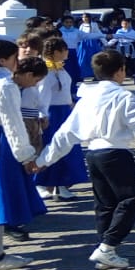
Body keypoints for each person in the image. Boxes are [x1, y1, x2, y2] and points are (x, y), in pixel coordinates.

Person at [33, 50, 135, 270]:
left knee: (105, 204)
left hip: (93, 154)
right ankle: (107, 247)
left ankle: (107, 249)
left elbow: (66, 133)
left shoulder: (87, 97)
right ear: (120, 70)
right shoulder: (122, 95)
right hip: (115, 152)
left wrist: (44, 159)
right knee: (132, 198)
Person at [0, 40, 44, 270]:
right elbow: (13, 124)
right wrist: (26, 155)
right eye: (14, 58)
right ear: (3, 60)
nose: (17, 62)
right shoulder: (5, 85)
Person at [32, 37, 88, 202]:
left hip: (64, 110)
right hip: (51, 113)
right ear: (56, 52)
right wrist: (41, 115)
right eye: (64, 50)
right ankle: (41, 184)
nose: (66, 53)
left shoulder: (60, 68)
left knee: (67, 148)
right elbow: (41, 95)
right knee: (50, 147)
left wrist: (71, 105)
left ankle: (61, 184)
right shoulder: (45, 71)